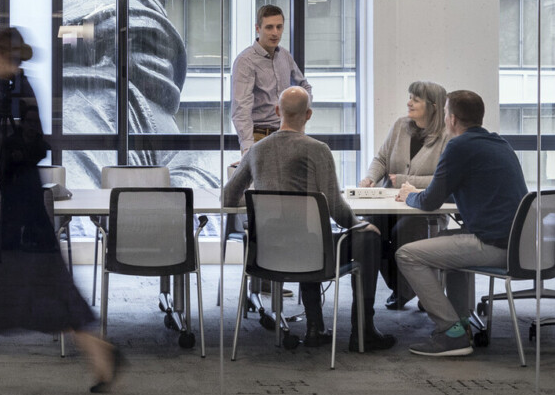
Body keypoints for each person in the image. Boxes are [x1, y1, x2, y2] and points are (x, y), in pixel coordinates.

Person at [0, 26, 120, 391]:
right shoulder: (13, 89)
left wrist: (4, 154)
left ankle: (100, 354)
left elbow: (33, 145)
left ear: (4, 56)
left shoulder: (19, 91)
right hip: (16, 198)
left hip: (19, 204)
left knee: (47, 284)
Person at [222, 87, 395, 351]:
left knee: (304, 234)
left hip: (266, 254)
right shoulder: (317, 150)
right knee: (366, 237)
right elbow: (335, 206)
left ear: (277, 111)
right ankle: (363, 331)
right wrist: (359, 224)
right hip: (312, 254)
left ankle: (317, 327)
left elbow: (228, 197)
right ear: (309, 115)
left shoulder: (255, 151)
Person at [396, 89, 528, 358]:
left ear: (452, 119)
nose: (445, 120)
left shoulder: (458, 146)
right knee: (447, 238)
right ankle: (463, 324)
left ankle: (450, 333)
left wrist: (410, 195)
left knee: (407, 254)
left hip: (495, 245)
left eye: (445, 115)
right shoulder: (500, 143)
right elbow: (479, 186)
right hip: (519, 243)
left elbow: (430, 201)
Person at [360, 80, 449, 310]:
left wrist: (403, 181)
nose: (409, 103)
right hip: (389, 204)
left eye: (415, 99)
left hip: (424, 210)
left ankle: (415, 289)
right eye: (410, 97)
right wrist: (370, 178)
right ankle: (403, 288)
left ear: (434, 106)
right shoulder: (401, 125)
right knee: (369, 230)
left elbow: (444, 181)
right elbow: (381, 158)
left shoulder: (448, 136)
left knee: (402, 233)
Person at [230, 4, 313, 154]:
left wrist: (300, 114)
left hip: (288, 134)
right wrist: (248, 148)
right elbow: (241, 109)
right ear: (258, 28)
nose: (275, 33)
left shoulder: (285, 56)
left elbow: (304, 86)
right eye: (269, 27)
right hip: (259, 136)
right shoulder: (245, 61)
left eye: (279, 27)